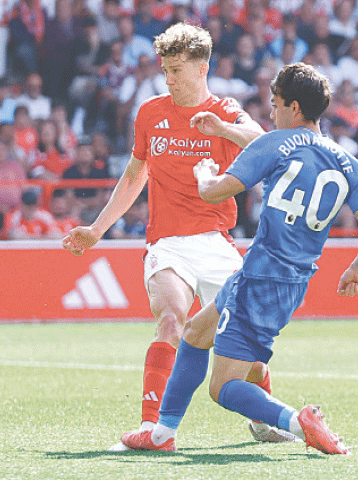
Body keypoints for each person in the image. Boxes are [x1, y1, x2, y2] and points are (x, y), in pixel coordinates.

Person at [120, 62, 358, 455]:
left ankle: (300, 420)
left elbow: (214, 192)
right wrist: (357, 267)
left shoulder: (275, 143)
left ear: (294, 108)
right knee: (194, 333)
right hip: (288, 280)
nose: (272, 113)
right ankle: (161, 434)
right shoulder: (349, 163)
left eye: (276, 104)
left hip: (261, 277)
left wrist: (204, 173)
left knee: (223, 388)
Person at [62, 22, 276, 450]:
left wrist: (221, 130)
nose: (169, 79)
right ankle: (154, 428)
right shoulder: (150, 113)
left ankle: (262, 418)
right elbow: (134, 175)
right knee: (172, 319)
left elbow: (265, 143)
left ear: (202, 68)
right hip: (168, 243)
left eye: (177, 70)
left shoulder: (225, 110)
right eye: (166, 70)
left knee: (244, 352)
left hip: (217, 243)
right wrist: (96, 229)